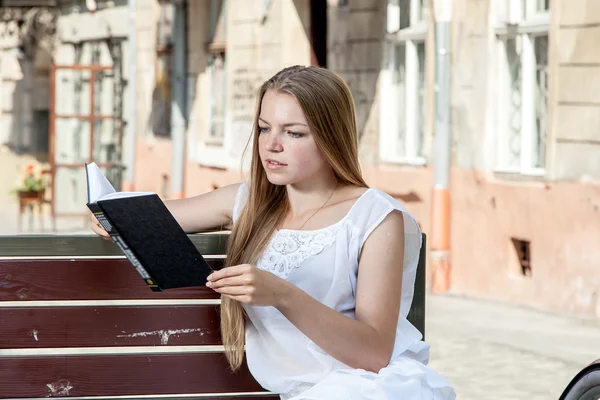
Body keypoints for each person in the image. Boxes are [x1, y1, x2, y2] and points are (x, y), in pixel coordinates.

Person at [92, 65, 455, 400]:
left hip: (369, 387)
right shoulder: (248, 201)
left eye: (293, 132)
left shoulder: (376, 217)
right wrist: (110, 216)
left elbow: (373, 354)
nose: (271, 145)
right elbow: (143, 214)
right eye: (265, 128)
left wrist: (281, 294)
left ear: (332, 137)